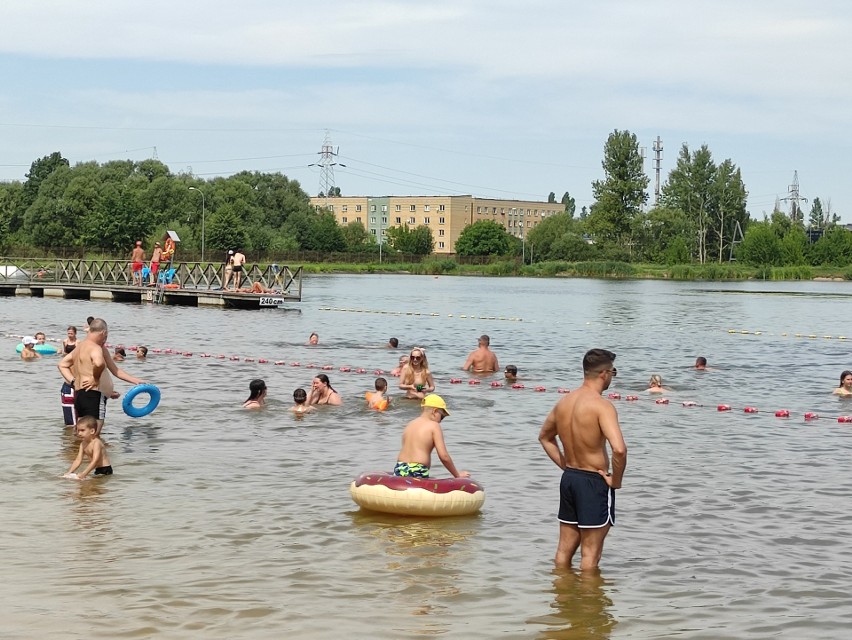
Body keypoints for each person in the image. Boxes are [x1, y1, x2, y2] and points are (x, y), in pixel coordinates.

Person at [538, 348, 628, 571]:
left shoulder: (564, 402)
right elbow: (619, 449)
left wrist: (566, 466)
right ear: (604, 373)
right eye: (613, 372)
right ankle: (588, 604)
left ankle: (562, 600)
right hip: (593, 481)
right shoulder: (601, 405)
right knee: (590, 555)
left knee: (563, 551)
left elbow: (545, 438)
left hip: (570, 479)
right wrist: (615, 481)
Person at [58, 318, 145, 435]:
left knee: (82, 436)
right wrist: (95, 379)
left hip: (80, 395)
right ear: (103, 333)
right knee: (94, 436)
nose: (106, 339)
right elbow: (99, 363)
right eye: (106, 336)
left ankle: (77, 453)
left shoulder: (80, 346)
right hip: (94, 396)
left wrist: (73, 382)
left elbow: (62, 365)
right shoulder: (96, 348)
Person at [393, 394, 469, 479]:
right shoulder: (434, 426)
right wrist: (457, 475)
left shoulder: (410, 424)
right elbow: (444, 456)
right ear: (434, 411)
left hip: (399, 467)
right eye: (442, 416)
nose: (440, 421)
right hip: (417, 470)